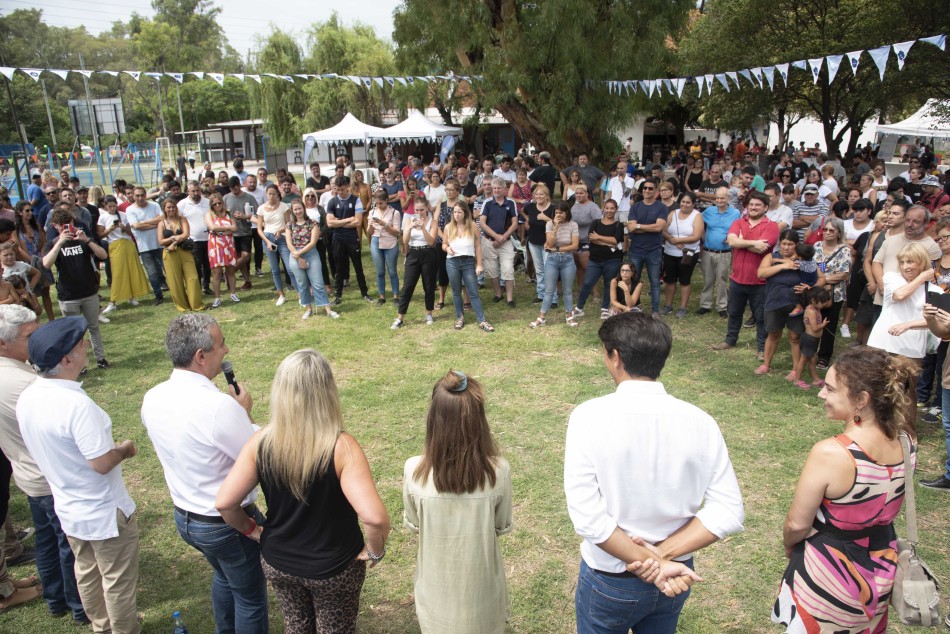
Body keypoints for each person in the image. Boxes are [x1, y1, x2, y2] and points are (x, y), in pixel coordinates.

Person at [565, 312, 744, 632]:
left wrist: (653, 560)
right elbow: (728, 510)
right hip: (675, 573)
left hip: (613, 578)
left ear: (615, 357)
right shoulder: (700, 421)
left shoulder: (588, 417)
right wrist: (662, 558)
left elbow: (588, 519)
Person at [216, 349, 390, 633]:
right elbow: (375, 519)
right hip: (334, 568)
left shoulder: (259, 443)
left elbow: (225, 503)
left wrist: (253, 531)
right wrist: (375, 551)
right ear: (327, 392)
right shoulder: (341, 447)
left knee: (296, 627)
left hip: (279, 563)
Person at [773, 346, 918, 633]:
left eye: (830, 389)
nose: (821, 395)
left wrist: (790, 544)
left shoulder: (833, 453)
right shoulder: (907, 441)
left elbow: (797, 524)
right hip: (881, 566)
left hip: (832, 573)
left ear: (861, 399)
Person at [141, 314, 268, 634]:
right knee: (250, 597)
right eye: (220, 344)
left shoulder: (152, 397)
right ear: (200, 356)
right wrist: (245, 413)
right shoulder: (217, 407)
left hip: (186, 516)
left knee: (225, 578)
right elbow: (254, 456)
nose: (226, 349)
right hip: (225, 522)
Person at [17, 316, 139, 633]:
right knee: (117, 581)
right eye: (80, 343)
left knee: (86, 571)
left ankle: (101, 626)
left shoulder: (30, 395)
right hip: (102, 509)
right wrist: (124, 448)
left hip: (69, 505)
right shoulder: (75, 405)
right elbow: (99, 463)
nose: (85, 346)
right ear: (67, 358)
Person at [403, 369, 511, 632]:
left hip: (434, 595)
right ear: (479, 421)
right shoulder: (498, 472)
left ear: (433, 419)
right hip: (483, 595)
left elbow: (414, 523)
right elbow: (501, 524)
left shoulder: (413, 471)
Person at [0, 305, 79, 619]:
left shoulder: (14, 372)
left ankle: (55, 600)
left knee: (46, 541)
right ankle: (78, 605)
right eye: (30, 336)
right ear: (4, 343)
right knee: (68, 547)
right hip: (50, 478)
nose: (38, 342)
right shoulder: (27, 384)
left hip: (27, 475)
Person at [712, 191, 779, 359]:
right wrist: (751, 242)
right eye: (751, 204)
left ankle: (762, 348)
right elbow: (732, 241)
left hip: (760, 282)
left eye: (758, 205)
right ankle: (730, 340)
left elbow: (762, 248)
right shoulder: (738, 222)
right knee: (734, 312)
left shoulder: (771, 226)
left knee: (761, 317)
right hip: (737, 279)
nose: (754, 207)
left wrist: (741, 242)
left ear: (765, 208)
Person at [42, 207, 111, 368]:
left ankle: (100, 359)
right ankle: (80, 365)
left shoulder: (83, 239)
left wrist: (87, 240)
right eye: (62, 225)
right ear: (55, 226)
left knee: (93, 327)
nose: (67, 228)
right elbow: (46, 263)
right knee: (73, 333)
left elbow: (103, 255)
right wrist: (60, 242)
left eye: (70, 224)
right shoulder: (53, 244)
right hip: (68, 295)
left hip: (89, 292)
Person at [867, 242, 937, 360]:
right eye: (901, 262)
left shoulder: (934, 290)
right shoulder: (892, 278)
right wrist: (921, 278)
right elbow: (899, 295)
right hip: (883, 344)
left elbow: (936, 321)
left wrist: (907, 325)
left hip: (912, 349)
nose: (905, 267)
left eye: (910, 262)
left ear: (922, 262)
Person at [442, 201, 493, 332]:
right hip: (452, 262)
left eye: (459, 212)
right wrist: (447, 248)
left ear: (465, 213)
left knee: (473, 291)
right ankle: (460, 317)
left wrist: (479, 264)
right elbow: (444, 244)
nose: (456, 215)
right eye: (454, 212)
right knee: (456, 291)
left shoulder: (472, 226)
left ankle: (482, 320)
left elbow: (477, 246)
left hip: (468, 261)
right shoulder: (448, 227)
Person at [286, 198, 338, 320]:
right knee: (302, 284)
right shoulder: (289, 225)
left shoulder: (313, 223)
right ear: (292, 211)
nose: (298, 211)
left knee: (318, 283)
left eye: (299, 208)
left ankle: (328, 309)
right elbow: (289, 243)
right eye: (295, 209)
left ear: (303, 209)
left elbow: (313, 242)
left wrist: (301, 254)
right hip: (295, 256)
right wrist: (299, 257)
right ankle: (308, 309)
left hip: (311, 254)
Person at [97, 196, 150, 316]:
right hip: (114, 245)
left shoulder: (123, 215)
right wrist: (109, 230)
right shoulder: (103, 217)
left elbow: (131, 233)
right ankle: (113, 301)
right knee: (118, 273)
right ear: (105, 206)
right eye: (109, 206)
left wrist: (123, 228)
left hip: (128, 244)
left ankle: (132, 296)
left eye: (113, 206)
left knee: (132, 270)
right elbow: (100, 234)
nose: (111, 208)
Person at [574, 198, 625, 320]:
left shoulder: (619, 225)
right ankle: (579, 308)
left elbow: (615, 240)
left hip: (613, 260)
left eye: (612, 208)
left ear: (616, 210)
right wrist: (608, 242)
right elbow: (592, 238)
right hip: (595, 260)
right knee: (587, 283)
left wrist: (599, 238)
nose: (609, 210)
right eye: (607, 208)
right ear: (603, 208)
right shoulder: (596, 223)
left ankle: (604, 309)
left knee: (609, 284)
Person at [530, 201, 580, 328]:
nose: (558, 215)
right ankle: (542, 317)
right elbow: (549, 244)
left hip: (568, 260)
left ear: (567, 212)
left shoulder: (573, 225)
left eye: (561, 213)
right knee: (549, 290)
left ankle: (569, 316)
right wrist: (556, 227)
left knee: (567, 290)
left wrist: (557, 249)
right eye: (556, 213)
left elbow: (574, 246)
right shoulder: (549, 224)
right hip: (552, 260)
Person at [392, 197, 439, 329]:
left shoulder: (432, 222)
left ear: (426, 209)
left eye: (422, 210)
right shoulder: (408, 220)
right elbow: (405, 241)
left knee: (429, 285)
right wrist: (409, 228)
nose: (419, 212)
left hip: (428, 253)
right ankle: (400, 317)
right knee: (407, 287)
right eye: (417, 210)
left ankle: (429, 313)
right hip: (412, 254)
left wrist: (423, 228)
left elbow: (432, 242)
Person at [327, 177, 372, 305]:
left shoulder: (355, 200)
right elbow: (329, 223)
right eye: (338, 190)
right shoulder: (332, 202)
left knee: (358, 267)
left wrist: (338, 222)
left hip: (352, 238)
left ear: (348, 186)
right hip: (338, 239)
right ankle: (337, 296)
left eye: (342, 189)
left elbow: (357, 222)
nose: (340, 192)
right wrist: (347, 220)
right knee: (339, 268)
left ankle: (365, 293)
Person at [813, 216, 851, 369]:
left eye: (831, 230)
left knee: (829, 324)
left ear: (838, 233)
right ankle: (810, 352)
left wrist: (823, 279)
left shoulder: (844, 250)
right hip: (815, 292)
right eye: (825, 229)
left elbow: (843, 274)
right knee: (813, 320)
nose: (827, 233)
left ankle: (824, 356)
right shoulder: (816, 246)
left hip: (834, 293)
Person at [660, 192, 704, 318]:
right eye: (683, 202)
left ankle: (683, 307)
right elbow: (663, 230)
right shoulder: (672, 213)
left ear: (693, 204)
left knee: (685, 280)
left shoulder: (697, 216)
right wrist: (671, 239)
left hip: (688, 254)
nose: (685, 204)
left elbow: (697, 236)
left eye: (688, 202)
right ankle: (668, 305)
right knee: (670, 280)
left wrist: (679, 241)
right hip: (670, 252)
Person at [157, 199, 203, 312]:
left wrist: (174, 243)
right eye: (168, 207)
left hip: (185, 252)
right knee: (175, 281)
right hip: (169, 254)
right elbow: (161, 241)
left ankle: (196, 305)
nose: (171, 209)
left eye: (173, 207)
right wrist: (173, 238)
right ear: (164, 209)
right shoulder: (161, 223)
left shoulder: (182, 219)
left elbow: (186, 234)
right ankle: (182, 306)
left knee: (192, 277)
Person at [123, 187, 166, 306]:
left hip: (160, 243)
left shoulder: (154, 205)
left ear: (146, 195)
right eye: (137, 196)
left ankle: (176, 291)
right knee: (152, 273)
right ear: (133, 196)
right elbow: (136, 226)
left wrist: (143, 223)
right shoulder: (130, 209)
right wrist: (154, 223)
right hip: (144, 247)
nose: (140, 198)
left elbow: (162, 219)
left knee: (168, 268)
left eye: (142, 195)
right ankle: (158, 295)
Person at [480, 178, 518, 307]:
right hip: (489, 241)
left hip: (506, 241)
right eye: (494, 188)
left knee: (508, 268)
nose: (496, 190)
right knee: (492, 270)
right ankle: (498, 294)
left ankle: (509, 298)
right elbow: (482, 223)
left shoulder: (511, 203)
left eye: (498, 188)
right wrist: (496, 236)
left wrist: (503, 237)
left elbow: (514, 223)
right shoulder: (487, 203)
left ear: (504, 189)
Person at [257, 183, 295, 307]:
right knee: (275, 269)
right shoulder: (261, 209)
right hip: (269, 239)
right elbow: (259, 229)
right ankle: (281, 294)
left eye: (274, 193)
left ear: (277, 194)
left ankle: (300, 292)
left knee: (290, 268)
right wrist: (267, 242)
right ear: (266, 194)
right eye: (269, 194)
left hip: (282, 239)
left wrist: (281, 230)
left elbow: (289, 224)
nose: (272, 196)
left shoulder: (284, 206)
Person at [791, 286, 832, 389]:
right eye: (822, 302)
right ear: (813, 300)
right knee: (803, 360)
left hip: (814, 340)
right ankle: (797, 379)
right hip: (809, 339)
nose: (824, 304)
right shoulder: (811, 311)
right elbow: (814, 327)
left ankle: (816, 379)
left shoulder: (816, 308)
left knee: (813, 360)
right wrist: (823, 324)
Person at [204, 193, 239, 308]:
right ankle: (217, 297)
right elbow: (212, 228)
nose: (218, 205)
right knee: (216, 272)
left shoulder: (229, 213)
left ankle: (233, 293)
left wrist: (221, 232)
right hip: (215, 245)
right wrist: (228, 229)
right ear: (211, 205)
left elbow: (235, 228)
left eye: (219, 203)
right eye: (215, 204)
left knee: (230, 270)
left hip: (228, 244)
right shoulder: (209, 215)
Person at [178, 182, 213, 296]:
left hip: (208, 239)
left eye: (197, 190)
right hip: (193, 240)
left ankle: (206, 286)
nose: (195, 193)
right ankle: (197, 287)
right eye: (193, 191)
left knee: (208, 265)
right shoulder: (182, 204)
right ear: (188, 191)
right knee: (196, 265)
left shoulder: (207, 202)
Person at [224, 176, 258, 290]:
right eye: (232, 188)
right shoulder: (226, 198)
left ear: (240, 185)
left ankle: (230, 271)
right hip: (231, 233)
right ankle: (247, 281)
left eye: (236, 187)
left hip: (245, 232)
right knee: (238, 257)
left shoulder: (249, 197)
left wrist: (244, 216)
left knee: (246, 256)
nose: (234, 190)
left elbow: (257, 215)